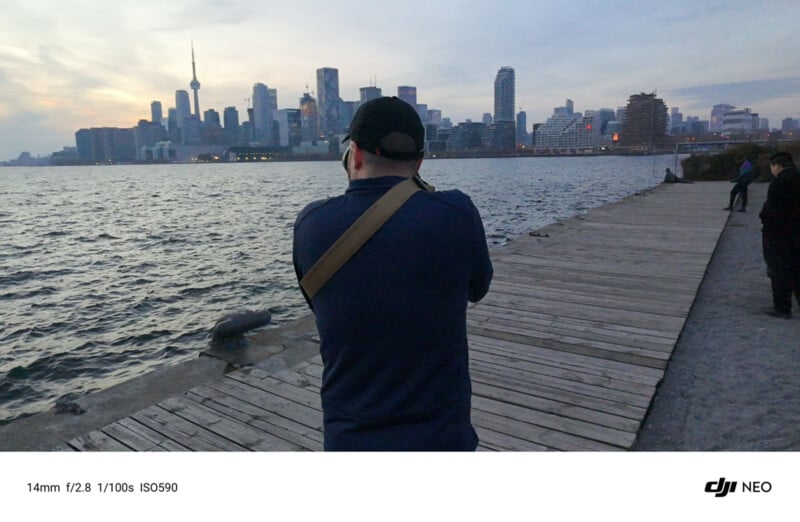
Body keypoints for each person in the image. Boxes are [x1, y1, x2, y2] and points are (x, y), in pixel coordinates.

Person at [292, 96, 494, 450]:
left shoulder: (311, 224)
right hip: (444, 439)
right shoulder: (457, 213)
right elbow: (479, 288)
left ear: (352, 155)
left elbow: (317, 301)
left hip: (351, 442)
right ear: (419, 162)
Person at [758, 151, 800, 319]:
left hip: (778, 234)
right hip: (797, 232)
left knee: (779, 269)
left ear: (777, 166)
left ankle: (782, 308)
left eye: (772, 167)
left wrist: (763, 217)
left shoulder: (778, 182)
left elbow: (772, 209)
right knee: (798, 268)